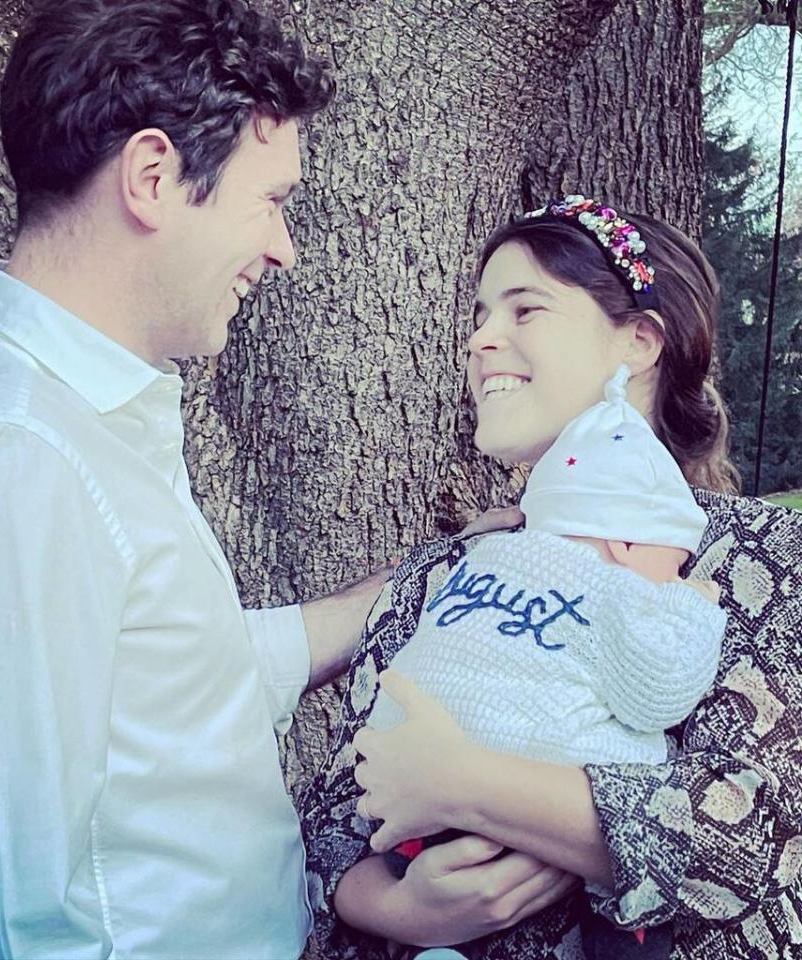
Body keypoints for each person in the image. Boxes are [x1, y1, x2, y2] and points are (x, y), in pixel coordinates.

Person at [0, 1, 406, 956]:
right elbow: (0, 929)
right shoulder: (13, 464)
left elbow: (175, 680)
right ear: (152, 178)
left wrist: (425, 582)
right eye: (271, 200)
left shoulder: (82, 424)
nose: (284, 249)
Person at [301, 196, 802, 959]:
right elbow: (332, 823)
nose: (480, 339)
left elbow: (761, 840)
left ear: (638, 341)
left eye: (524, 308)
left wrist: (466, 782)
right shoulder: (450, 568)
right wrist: (402, 913)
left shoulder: (761, 561)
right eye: (479, 314)